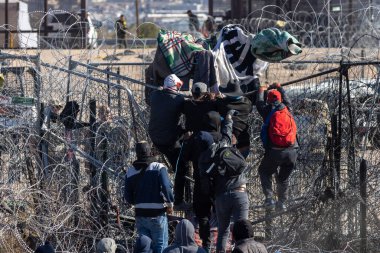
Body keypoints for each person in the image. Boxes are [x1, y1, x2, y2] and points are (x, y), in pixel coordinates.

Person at [125, 141, 174, 253]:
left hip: (140, 215)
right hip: (157, 215)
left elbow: (127, 197)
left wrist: (138, 202)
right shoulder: (158, 167)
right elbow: (166, 187)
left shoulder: (130, 171)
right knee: (160, 248)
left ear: (137, 153)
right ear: (149, 152)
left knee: (144, 248)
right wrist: (170, 203)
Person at [255, 83, 298, 211]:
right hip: (292, 152)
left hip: (275, 152)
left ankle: (269, 199)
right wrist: (279, 87)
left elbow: (259, 103)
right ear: (280, 100)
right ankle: (282, 203)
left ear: (269, 100)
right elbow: (287, 98)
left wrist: (261, 90)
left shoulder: (267, 111)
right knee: (283, 178)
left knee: (264, 171)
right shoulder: (288, 108)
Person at [148, 74, 188, 208]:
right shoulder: (179, 99)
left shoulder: (155, 96)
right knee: (182, 167)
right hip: (169, 140)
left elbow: (158, 92)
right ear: (176, 86)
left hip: (155, 137)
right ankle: (179, 200)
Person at [217, 82, 252, 158]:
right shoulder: (247, 103)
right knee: (241, 165)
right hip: (244, 140)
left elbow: (217, 103)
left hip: (228, 141)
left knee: (228, 164)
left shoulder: (222, 104)